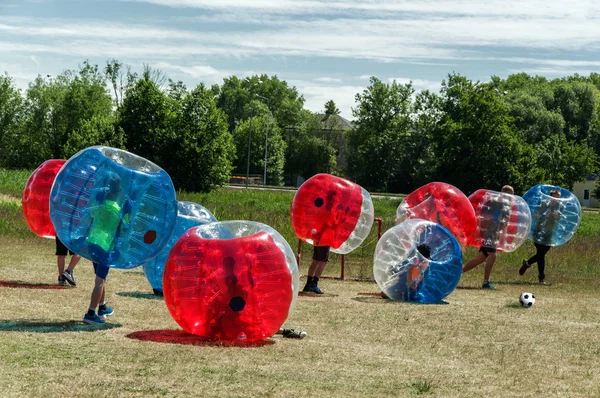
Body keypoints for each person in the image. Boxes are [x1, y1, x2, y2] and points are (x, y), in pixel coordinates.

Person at [82, 173, 125, 325]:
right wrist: (128, 212)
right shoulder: (117, 210)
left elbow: (92, 215)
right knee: (99, 280)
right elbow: (125, 226)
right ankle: (90, 313)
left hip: (93, 243)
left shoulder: (99, 204)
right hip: (106, 247)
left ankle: (102, 307)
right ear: (118, 191)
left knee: (101, 277)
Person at [462, 185, 515, 290]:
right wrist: (483, 232)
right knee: (493, 256)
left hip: (495, 235)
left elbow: (504, 223)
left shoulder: (507, 206)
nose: (511, 197)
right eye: (509, 194)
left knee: (480, 259)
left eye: (512, 195)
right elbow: (484, 217)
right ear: (504, 193)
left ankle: (458, 273)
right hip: (489, 233)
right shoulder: (494, 203)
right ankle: (486, 282)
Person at [519, 189, 561, 285]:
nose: (556, 200)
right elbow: (535, 214)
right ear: (550, 197)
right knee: (541, 254)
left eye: (558, 198)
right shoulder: (544, 203)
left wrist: (557, 216)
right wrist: (544, 215)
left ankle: (527, 263)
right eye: (554, 197)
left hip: (550, 233)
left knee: (541, 254)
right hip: (538, 231)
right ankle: (541, 278)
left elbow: (561, 219)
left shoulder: (560, 206)